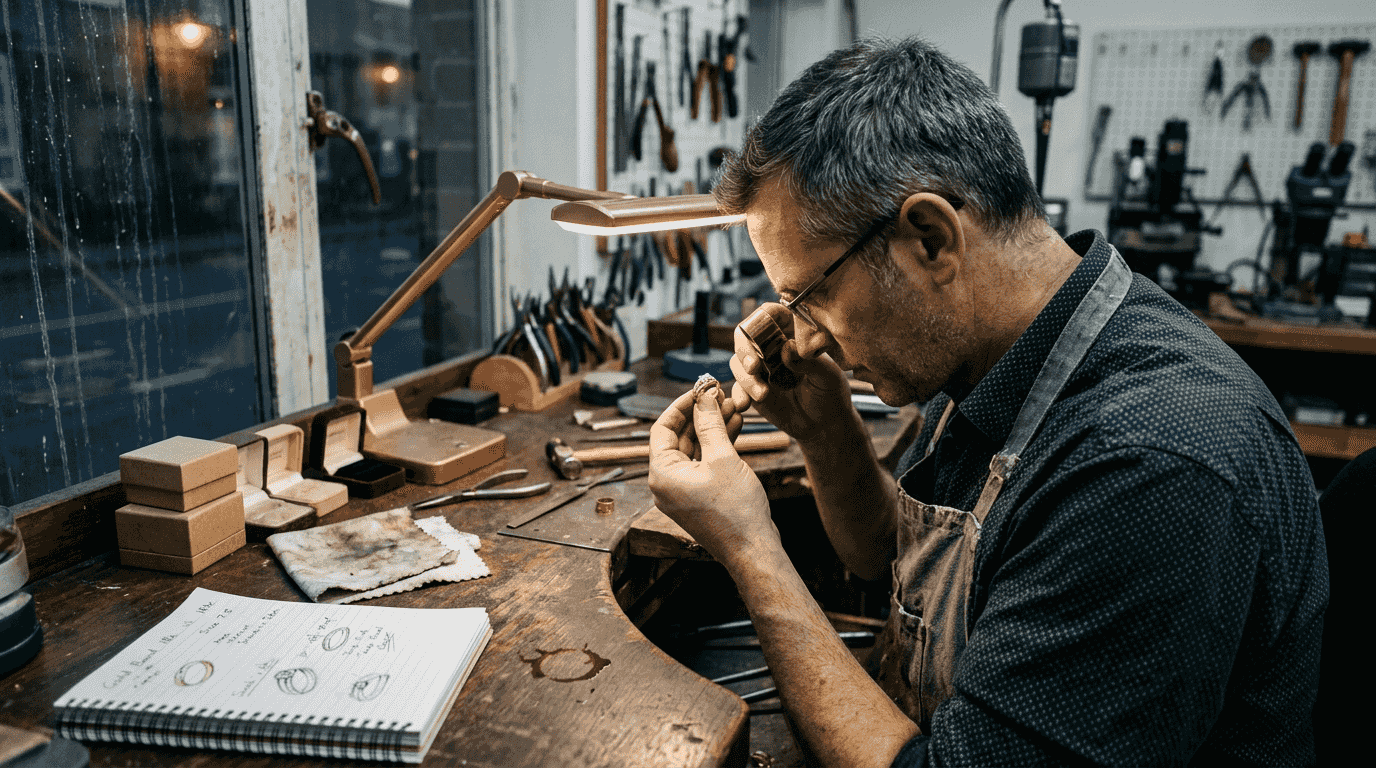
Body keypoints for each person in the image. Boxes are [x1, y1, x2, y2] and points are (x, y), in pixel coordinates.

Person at [648, 37, 1326, 767]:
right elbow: (892, 562)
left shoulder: (1148, 467)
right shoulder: (1003, 344)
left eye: (808, 298)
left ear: (931, 238)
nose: (804, 338)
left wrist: (750, 549)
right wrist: (824, 428)